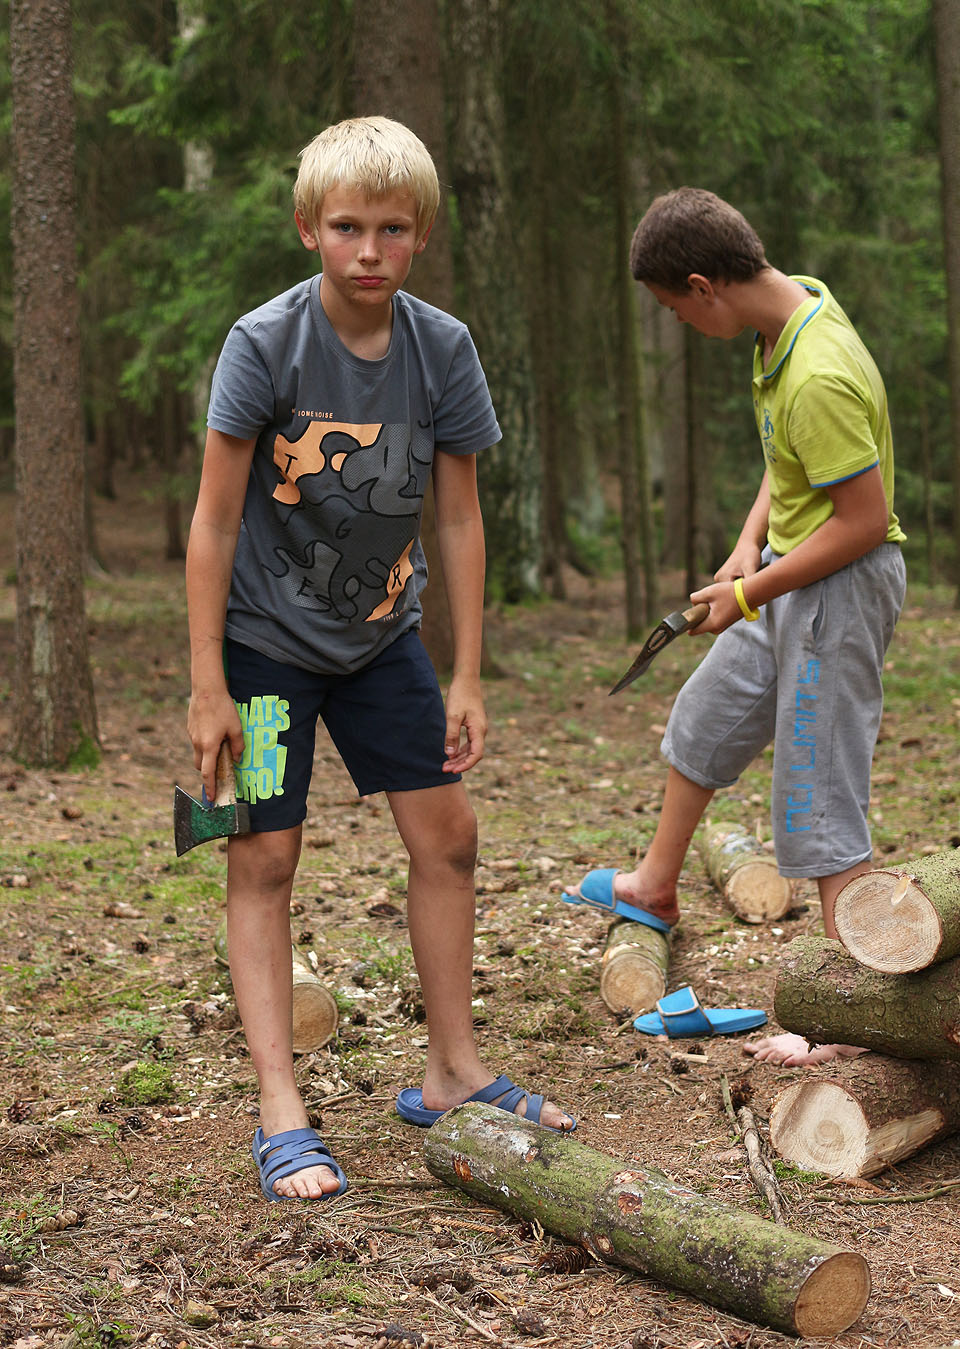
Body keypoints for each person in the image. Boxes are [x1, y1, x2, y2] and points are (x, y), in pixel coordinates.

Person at [186, 116, 574, 1204]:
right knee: (260, 854)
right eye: (347, 225)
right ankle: (281, 1106)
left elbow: (457, 520)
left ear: (419, 238)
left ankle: (453, 1068)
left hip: (386, 642)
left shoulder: (441, 347)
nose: (368, 248)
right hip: (260, 651)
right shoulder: (262, 344)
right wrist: (207, 686)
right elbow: (213, 522)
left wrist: (466, 671)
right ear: (310, 227)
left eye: (391, 228)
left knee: (449, 833)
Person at [566, 187, 906, 1067]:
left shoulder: (820, 370)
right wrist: (748, 546)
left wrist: (751, 594)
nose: (678, 323)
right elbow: (791, 465)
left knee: (816, 797)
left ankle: (854, 1012)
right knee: (704, 716)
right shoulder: (786, 314)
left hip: (840, 585)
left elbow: (863, 519)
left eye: (673, 308)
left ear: (702, 284)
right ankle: (657, 884)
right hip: (792, 569)